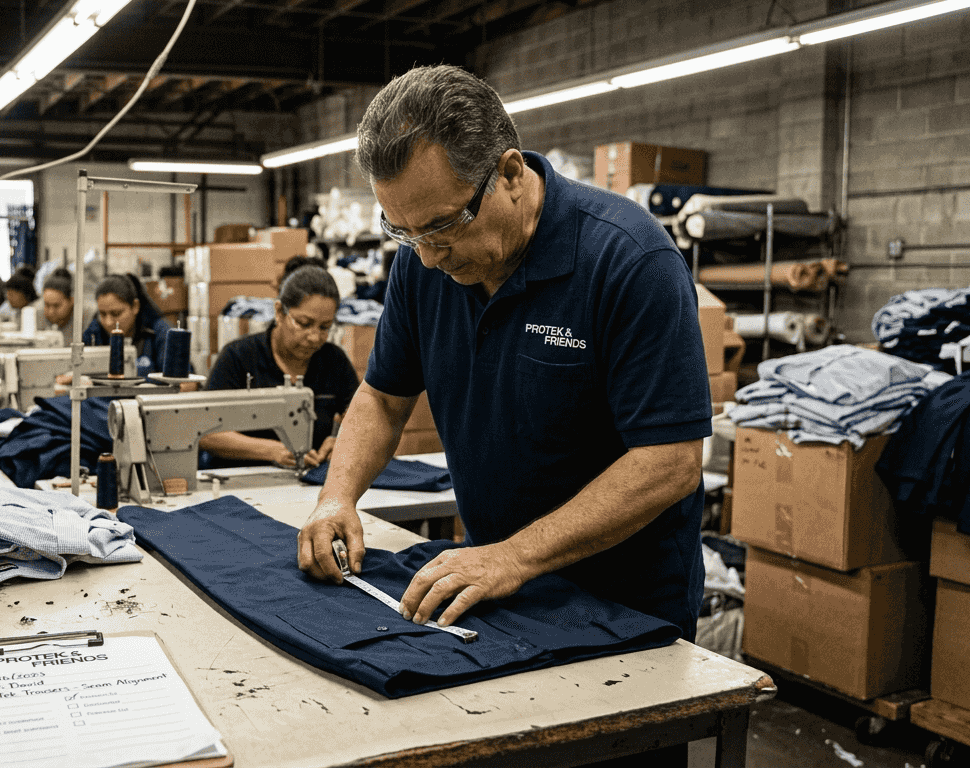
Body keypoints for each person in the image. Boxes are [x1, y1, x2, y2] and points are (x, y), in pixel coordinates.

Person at [295, 67, 711, 766]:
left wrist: (515, 556)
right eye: (402, 232)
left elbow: (669, 462)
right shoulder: (423, 265)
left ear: (510, 174)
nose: (427, 255)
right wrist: (337, 497)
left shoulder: (627, 260)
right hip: (494, 588)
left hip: (623, 608)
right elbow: (384, 396)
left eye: (441, 226)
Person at [200, 257, 359, 469]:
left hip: (308, 482)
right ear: (278, 312)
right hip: (240, 481)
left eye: (324, 327)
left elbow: (359, 417)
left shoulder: (334, 361)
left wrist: (344, 440)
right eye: (304, 324)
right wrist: (272, 450)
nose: (314, 337)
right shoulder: (238, 358)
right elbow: (206, 433)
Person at [82, 273, 172, 377]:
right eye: (102, 314)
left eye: (116, 314)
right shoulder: (93, 334)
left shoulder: (161, 333)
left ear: (135, 307)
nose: (108, 322)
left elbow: (186, 383)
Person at [41, 268, 77, 342]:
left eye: (56, 306)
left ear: (71, 300)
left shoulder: (87, 320)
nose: (51, 312)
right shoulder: (36, 315)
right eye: (47, 305)